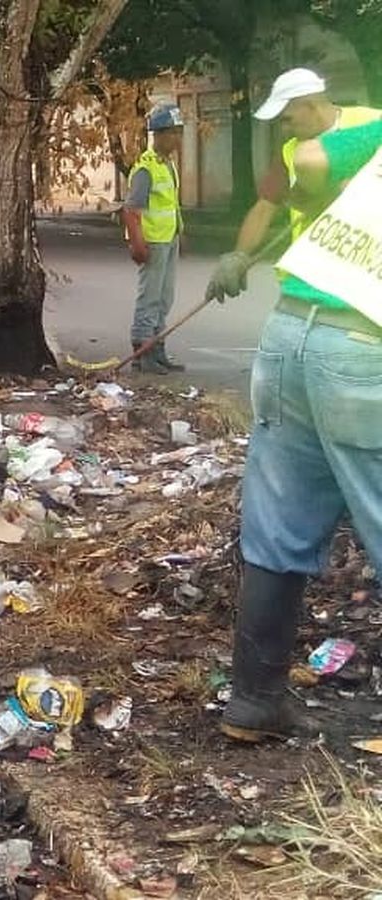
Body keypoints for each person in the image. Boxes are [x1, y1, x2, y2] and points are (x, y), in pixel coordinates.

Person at [207, 109, 382, 743]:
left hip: (290, 332)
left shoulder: (376, 130)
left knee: (279, 527)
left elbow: (307, 161)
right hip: (366, 345)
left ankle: (254, 700)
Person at [208, 67, 382, 298]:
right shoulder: (290, 150)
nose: (284, 128)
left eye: (287, 119)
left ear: (310, 106)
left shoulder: (371, 125)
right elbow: (264, 209)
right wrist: (239, 256)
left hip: (361, 277)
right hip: (306, 274)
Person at [121, 103, 186, 374]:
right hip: (152, 242)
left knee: (165, 298)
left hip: (168, 239)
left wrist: (180, 231)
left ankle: (158, 349)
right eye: (172, 133)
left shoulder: (168, 165)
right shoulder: (146, 169)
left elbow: (171, 204)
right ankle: (142, 352)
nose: (177, 138)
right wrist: (137, 243)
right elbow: (131, 211)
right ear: (157, 135)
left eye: (179, 132)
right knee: (149, 298)